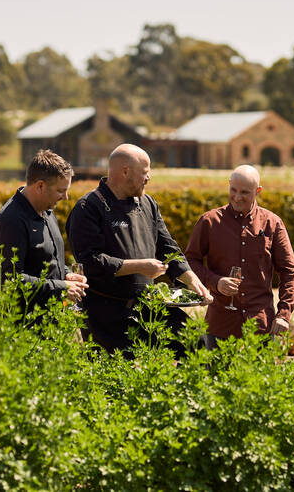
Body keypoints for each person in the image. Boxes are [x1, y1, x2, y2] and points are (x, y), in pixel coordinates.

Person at [66, 143, 212, 355]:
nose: (149, 177)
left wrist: (193, 281)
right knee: (115, 378)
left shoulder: (148, 204)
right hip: (107, 314)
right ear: (125, 171)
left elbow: (167, 247)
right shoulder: (88, 207)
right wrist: (139, 266)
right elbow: (90, 261)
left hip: (149, 306)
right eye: (145, 172)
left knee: (196, 344)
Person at [184, 165, 294, 345]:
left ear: (258, 191)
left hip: (260, 326)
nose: (237, 197)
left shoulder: (273, 224)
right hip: (220, 325)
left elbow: (289, 272)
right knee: (216, 374)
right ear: (229, 185)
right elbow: (190, 261)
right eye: (233, 190)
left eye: (244, 192)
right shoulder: (210, 221)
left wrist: (284, 313)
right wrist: (215, 282)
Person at [0, 150, 87, 321]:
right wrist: (61, 287)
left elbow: (46, 260)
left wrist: (65, 274)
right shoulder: (10, 220)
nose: (65, 197)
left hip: (51, 321)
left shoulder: (48, 210)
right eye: (60, 191)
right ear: (40, 186)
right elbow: (10, 281)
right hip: (24, 328)